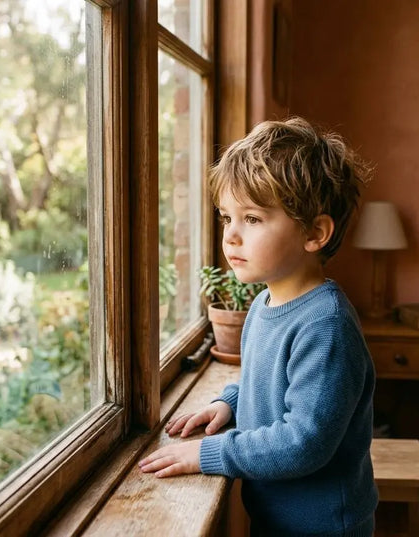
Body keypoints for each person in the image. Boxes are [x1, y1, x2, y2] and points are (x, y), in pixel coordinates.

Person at [139, 117, 378, 536]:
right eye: (226, 218)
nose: (231, 236)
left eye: (251, 218)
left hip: (322, 527)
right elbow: (265, 381)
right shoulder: (265, 303)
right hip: (276, 517)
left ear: (315, 233)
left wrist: (207, 454)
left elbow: (303, 442)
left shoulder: (326, 326)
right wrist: (230, 404)